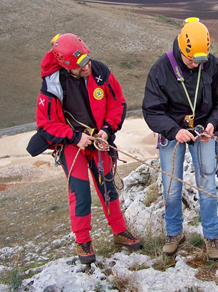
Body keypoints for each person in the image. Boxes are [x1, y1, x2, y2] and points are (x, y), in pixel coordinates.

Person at [26, 33, 142, 264]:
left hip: (99, 141)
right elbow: (46, 124)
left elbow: (117, 102)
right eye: (80, 65)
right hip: (73, 146)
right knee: (80, 194)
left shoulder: (100, 71)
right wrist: (74, 136)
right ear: (66, 65)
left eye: (87, 60)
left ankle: (119, 232)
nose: (86, 67)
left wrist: (107, 130)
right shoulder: (52, 84)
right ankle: (83, 240)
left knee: (108, 187)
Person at [142, 18, 218, 260]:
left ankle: (212, 236)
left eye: (199, 60)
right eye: (190, 59)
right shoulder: (161, 69)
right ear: (181, 49)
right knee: (171, 188)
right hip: (172, 132)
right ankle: (174, 233)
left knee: (207, 186)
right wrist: (173, 131)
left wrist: (214, 123)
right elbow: (152, 110)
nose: (194, 64)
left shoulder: (211, 65)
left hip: (204, 131)